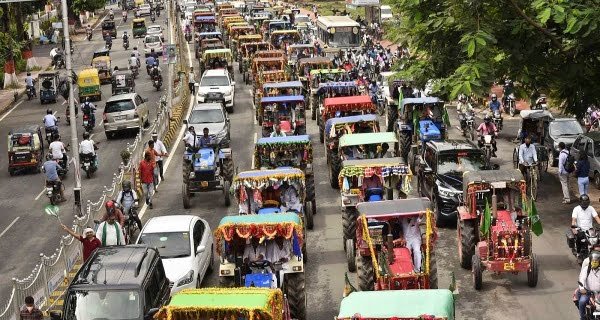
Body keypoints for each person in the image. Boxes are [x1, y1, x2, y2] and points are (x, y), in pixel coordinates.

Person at [577, 251, 600, 320]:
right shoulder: (586, 269)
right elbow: (582, 280)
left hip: (599, 294)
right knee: (582, 302)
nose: (594, 262)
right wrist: (582, 288)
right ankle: (583, 317)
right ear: (590, 261)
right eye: (593, 261)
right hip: (588, 293)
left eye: (596, 261)